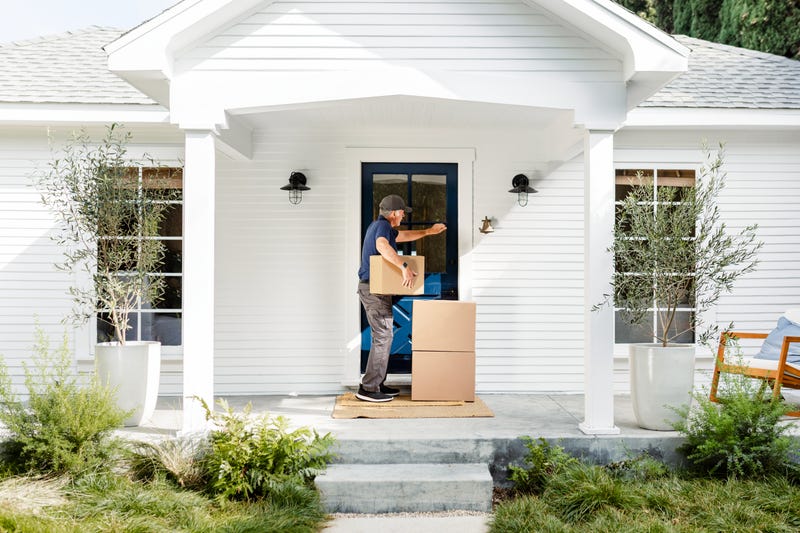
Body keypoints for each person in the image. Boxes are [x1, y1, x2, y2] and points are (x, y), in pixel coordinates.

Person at [356, 194, 446, 402]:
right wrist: (403, 267)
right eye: (403, 212)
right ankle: (368, 388)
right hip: (373, 290)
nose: (404, 215)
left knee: (385, 337)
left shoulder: (381, 227)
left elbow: (403, 237)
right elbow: (382, 246)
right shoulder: (382, 227)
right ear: (394, 213)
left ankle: (376, 383)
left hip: (376, 290)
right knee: (383, 337)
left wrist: (428, 232)